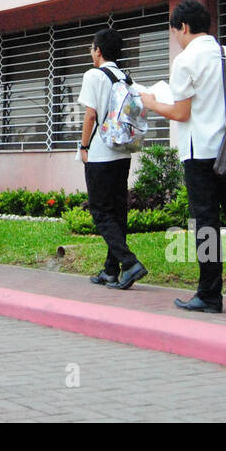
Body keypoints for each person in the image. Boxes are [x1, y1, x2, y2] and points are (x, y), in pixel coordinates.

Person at [141, 0, 226, 316]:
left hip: (200, 152)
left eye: (175, 32)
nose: (177, 38)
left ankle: (210, 295)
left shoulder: (186, 61)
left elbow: (180, 112)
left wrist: (150, 102)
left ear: (183, 27)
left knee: (207, 224)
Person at [78, 28, 148, 290]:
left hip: (99, 153)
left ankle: (129, 264)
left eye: (92, 47)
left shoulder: (93, 75)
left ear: (98, 50)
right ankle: (110, 271)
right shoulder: (125, 77)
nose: (91, 51)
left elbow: (90, 115)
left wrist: (84, 146)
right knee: (117, 211)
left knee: (99, 210)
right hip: (122, 151)